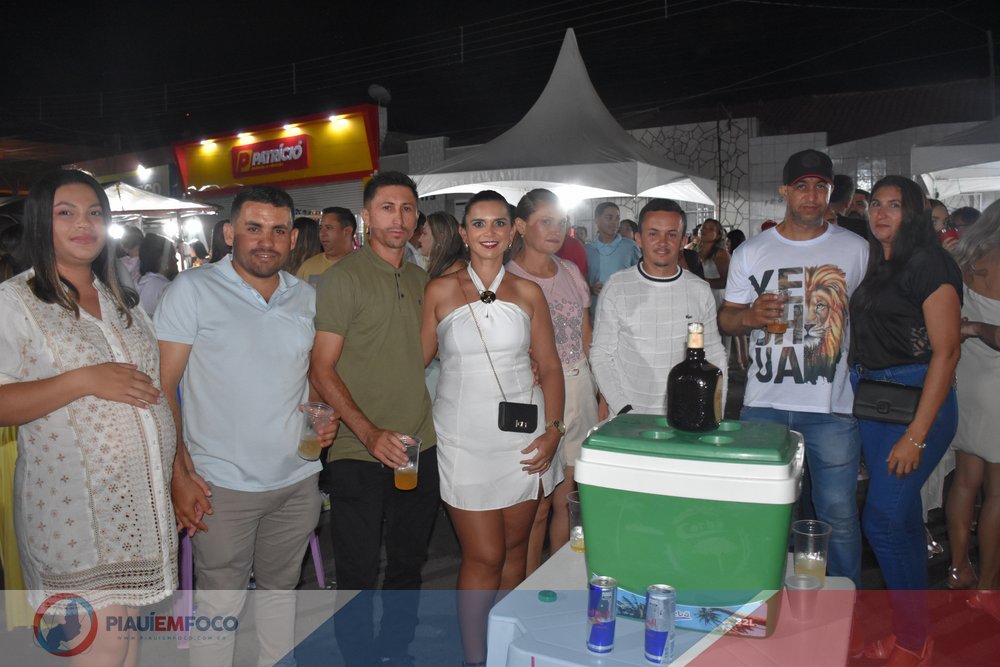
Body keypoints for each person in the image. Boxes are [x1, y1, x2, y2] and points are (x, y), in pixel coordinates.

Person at [0, 169, 176, 666]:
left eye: (94, 213)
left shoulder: (122, 299)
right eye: (66, 213)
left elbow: (154, 393)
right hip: (76, 517)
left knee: (128, 639)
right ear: (42, 223)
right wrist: (83, 380)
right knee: (102, 644)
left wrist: (179, 471)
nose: (84, 224)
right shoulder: (16, 302)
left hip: (140, 509)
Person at [157, 185, 338, 667]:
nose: (266, 241)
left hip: (296, 480)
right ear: (229, 233)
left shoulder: (305, 296)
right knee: (220, 606)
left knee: (281, 594)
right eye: (253, 228)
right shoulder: (192, 290)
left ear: (293, 238)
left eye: (279, 230)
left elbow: (310, 376)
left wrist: (320, 415)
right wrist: (178, 473)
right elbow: (163, 388)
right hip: (220, 484)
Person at [422, 189, 564, 667]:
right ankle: (475, 657)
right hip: (462, 439)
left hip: (523, 438)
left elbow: (550, 366)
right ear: (464, 233)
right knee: (483, 555)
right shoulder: (440, 290)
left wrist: (554, 430)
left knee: (515, 551)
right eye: (478, 224)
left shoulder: (528, 292)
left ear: (512, 231)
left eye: (499, 223)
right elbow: (414, 360)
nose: (489, 232)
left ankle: (505, 650)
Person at [719, 149, 868, 587]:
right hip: (764, 406)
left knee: (838, 516)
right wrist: (750, 317)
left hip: (830, 409)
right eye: (802, 186)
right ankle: (767, 599)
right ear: (784, 190)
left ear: (830, 192)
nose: (811, 195)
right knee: (767, 514)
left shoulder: (856, 249)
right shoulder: (751, 252)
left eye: (821, 186)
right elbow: (727, 318)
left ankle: (844, 607)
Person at [309, 172, 440, 667]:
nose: (398, 218)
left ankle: (397, 651)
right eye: (387, 208)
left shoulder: (422, 281)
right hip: (356, 449)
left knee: (408, 563)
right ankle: (359, 657)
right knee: (358, 570)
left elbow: (423, 355)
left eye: (407, 209)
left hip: (418, 446)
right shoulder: (343, 278)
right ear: (366, 216)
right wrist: (368, 433)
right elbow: (320, 368)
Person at [849, 175, 961, 665]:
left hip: (917, 404)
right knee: (903, 521)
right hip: (877, 404)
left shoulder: (930, 262)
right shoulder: (881, 263)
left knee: (882, 521)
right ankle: (915, 635)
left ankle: (913, 642)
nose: (881, 212)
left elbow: (947, 352)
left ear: (912, 212)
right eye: (875, 203)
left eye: (894, 205)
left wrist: (916, 436)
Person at [506, 188, 596, 574]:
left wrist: (599, 391)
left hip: (580, 385)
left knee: (567, 498)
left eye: (561, 222)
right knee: (538, 503)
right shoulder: (508, 279)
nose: (556, 230)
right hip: (538, 395)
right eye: (546, 221)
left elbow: (586, 336)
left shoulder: (570, 271)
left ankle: (557, 579)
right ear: (521, 226)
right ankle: (527, 584)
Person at [591, 198, 727, 416]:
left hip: (686, 415)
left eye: (671, 234)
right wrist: (623, 409)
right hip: (627, 416)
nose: (662, 242)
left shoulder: (699, 290)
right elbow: (601, 355)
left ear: (683, 241)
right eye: (653, 234)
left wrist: (714, 409)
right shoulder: (617, 287)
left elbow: (714, 353)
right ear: (638, 239)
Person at [946, 199, 1000, 603]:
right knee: (997, 493)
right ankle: (987, 584)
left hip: (965, 378)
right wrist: (980, 327)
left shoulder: (964, 259)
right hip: (996, 384)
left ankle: (958, 567)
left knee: (965, 481)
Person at [585, 202, 640, 305]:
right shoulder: (588, 249)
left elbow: (640, 275)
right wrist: (591, 289)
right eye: (609, 218)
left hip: (624, 305)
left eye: (617, 218)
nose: (615, 222)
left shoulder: (629, 247)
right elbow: (582, 280)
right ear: (597, 220)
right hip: (596, 306)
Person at [296, 207, 357, 285]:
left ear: (347, 231)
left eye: (329, 228)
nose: (322, 233)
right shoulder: (307, 266)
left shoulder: (364, 266)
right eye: (320, 228)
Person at [135, 232, 178, 315]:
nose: (176, 260)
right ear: (164, 261)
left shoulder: (135, 283)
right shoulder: (165, 287)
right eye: (173, 256)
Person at [696, 218, 731, 308]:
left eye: (711, 229)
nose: (705, 230)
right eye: (704, 228)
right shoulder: (696, 252)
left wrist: (701, 281)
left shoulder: (720, 253)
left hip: (716, 297)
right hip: (700, 296)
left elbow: (726, 281)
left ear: (718, 235)